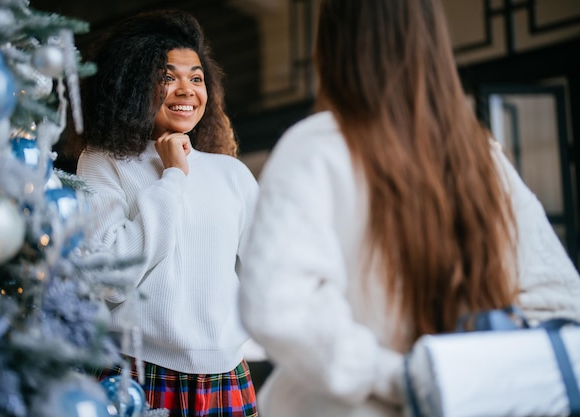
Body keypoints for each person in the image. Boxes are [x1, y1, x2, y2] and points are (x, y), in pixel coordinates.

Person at [238, 1, 580, 416]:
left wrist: (400, 376)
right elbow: (560, 302)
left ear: (330, 45)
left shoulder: (315, 147)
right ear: (433, 41)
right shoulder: (485, 161)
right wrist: (461, 380)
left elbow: (277, 308)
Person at [73, 9, 259, 416]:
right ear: (133, 83)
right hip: (139, 376)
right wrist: (173, 177)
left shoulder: (232, 172)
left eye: (196, 78)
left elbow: (266, 273)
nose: (186, 90)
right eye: (167, 76)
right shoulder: (104, 161)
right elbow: (110, 280)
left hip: (227, 376)